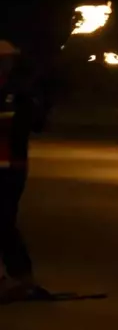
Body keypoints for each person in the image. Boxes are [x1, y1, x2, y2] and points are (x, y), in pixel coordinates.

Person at [0, 40, 52, 303]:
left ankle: (24, 280)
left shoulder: (18, 92)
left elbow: (36, 125)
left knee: (4, 223)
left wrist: (37, 99)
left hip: (9, 167)